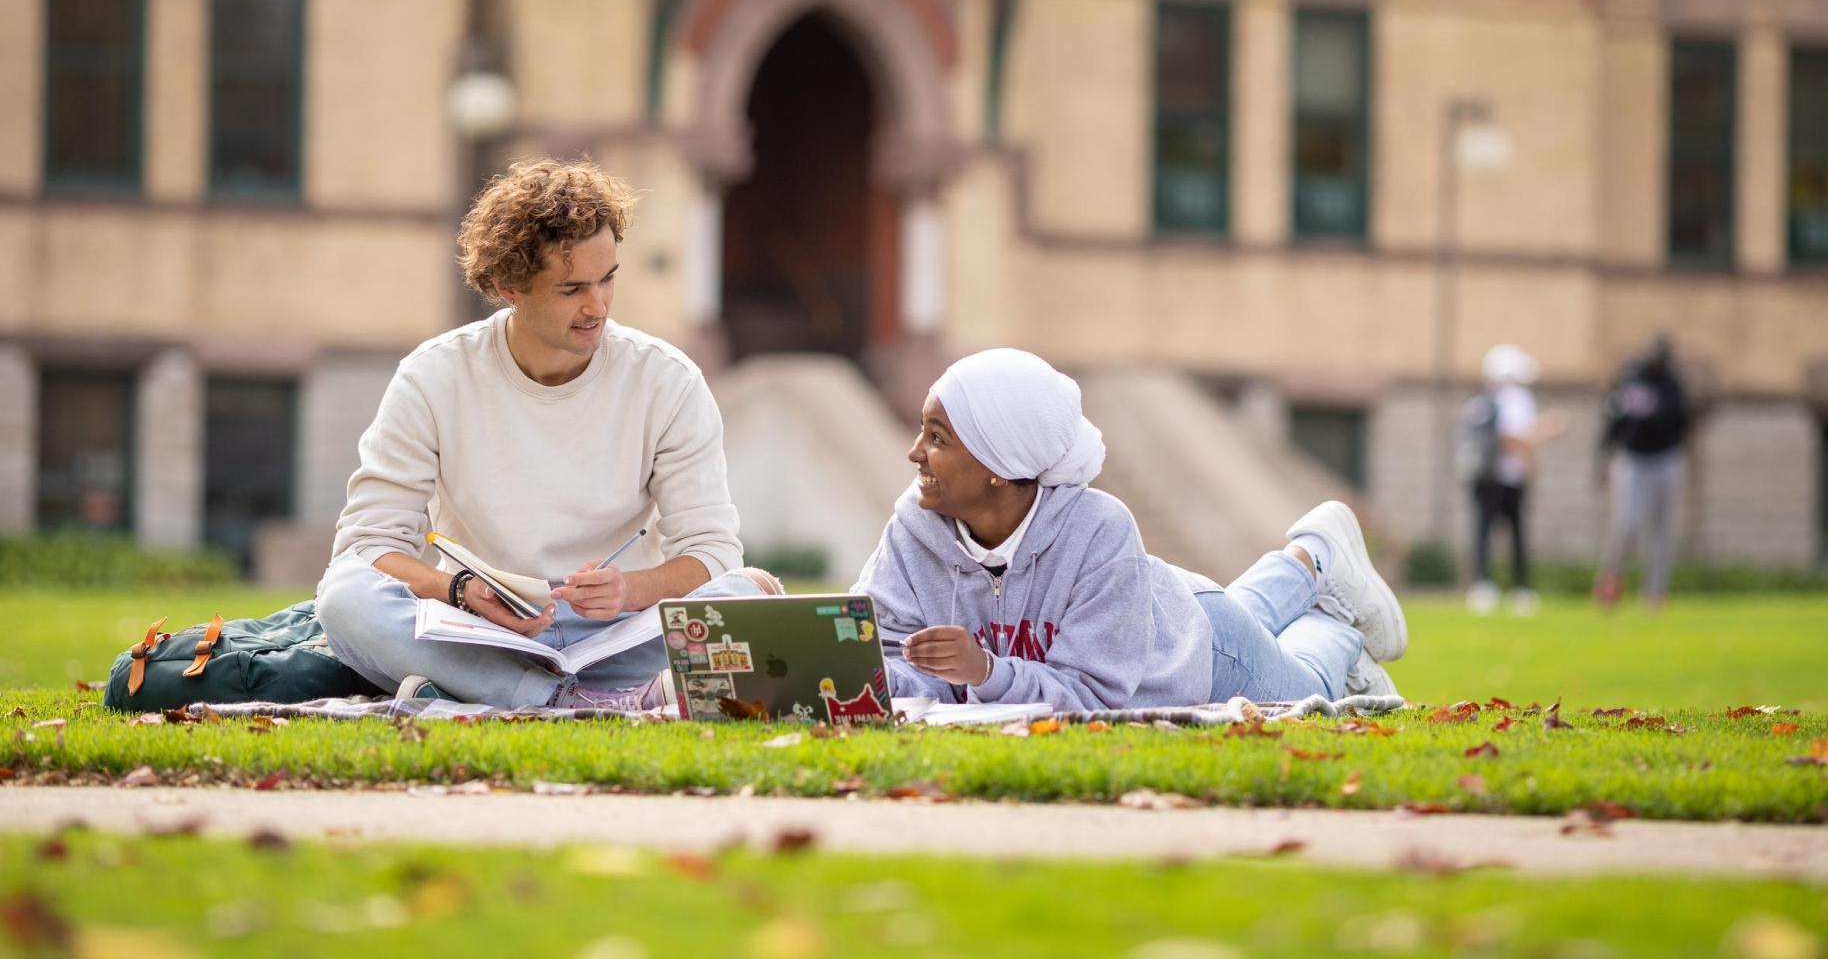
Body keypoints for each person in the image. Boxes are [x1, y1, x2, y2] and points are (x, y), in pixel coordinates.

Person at [315, 158, 770, 709]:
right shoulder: (433, 377)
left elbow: (712, 551)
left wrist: (631, 590)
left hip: (622, 637)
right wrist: (461, 591)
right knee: (343, 598)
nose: (596, 306)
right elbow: (369, 546)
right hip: (483, 636)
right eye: (572, 288)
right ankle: (572, 700)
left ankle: (535, 698)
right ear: (511, 285)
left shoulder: (666, 380)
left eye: (607, 279)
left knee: (750, 590)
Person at [854, 348, 1406, 711]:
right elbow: (890, 658)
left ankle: (1340, 628)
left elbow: (1093, 696)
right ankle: (1311, 556)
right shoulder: (912, 532)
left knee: (1312, 682)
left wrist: (988, 672)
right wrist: (881, 682)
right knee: (1253, 614)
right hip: (1157, 607)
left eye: (938, 438)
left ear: (1000, 462)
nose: (914, 453)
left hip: (1201, 650)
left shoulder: (1097, 529)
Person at [1463, 344, 1565, 616]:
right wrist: (1548, 428)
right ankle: (1516, 588)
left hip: (1487, 477)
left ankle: (1485, 585)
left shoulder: (1482, 401)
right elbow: (1514, 439)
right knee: (1512, 532)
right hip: (1505, 477)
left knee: (1487, 531)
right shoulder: (1514, 399)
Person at [1593, 333, 1690, 610]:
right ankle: (1611, 579)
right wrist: (1602, 455)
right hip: (1633, 458)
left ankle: (1655, 590)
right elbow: (1612, 418)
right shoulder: (1630, 377)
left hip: (1665, 458)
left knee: (1661, 528)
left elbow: (1679, 420)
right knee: (1627, 523)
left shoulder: (1672, 383)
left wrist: (1652, 415)